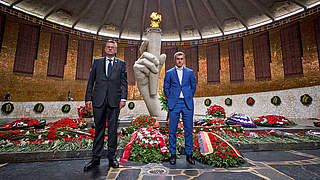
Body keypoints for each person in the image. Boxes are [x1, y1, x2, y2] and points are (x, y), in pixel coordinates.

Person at [84, 40, 128, 170]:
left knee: (113, 130)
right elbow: (91, 81)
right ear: (105, 49)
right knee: (99, 129)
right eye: (108, 47)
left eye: (112, 47)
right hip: (98, 100)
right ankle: (95, 158)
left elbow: (124, 83)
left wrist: (123, 98)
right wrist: (88, 98)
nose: (110, 49)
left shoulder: (121, 64)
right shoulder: (97, 62)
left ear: (115, 50)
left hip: (114, 101)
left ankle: (112, 158)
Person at [163, 51, 197, 165]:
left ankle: (189, 155)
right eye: (178, 59)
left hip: (187, 104)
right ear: (175, 60)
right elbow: (166, 88)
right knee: (172, 130)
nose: (179, 61)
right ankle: (172, 155)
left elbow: (193, 86)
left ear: (184, 60)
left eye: (181, 59)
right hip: (175, 103)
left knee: (188, 131)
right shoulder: (169, 73)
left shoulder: (190, 72)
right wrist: (171, 98)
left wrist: (188, 96)